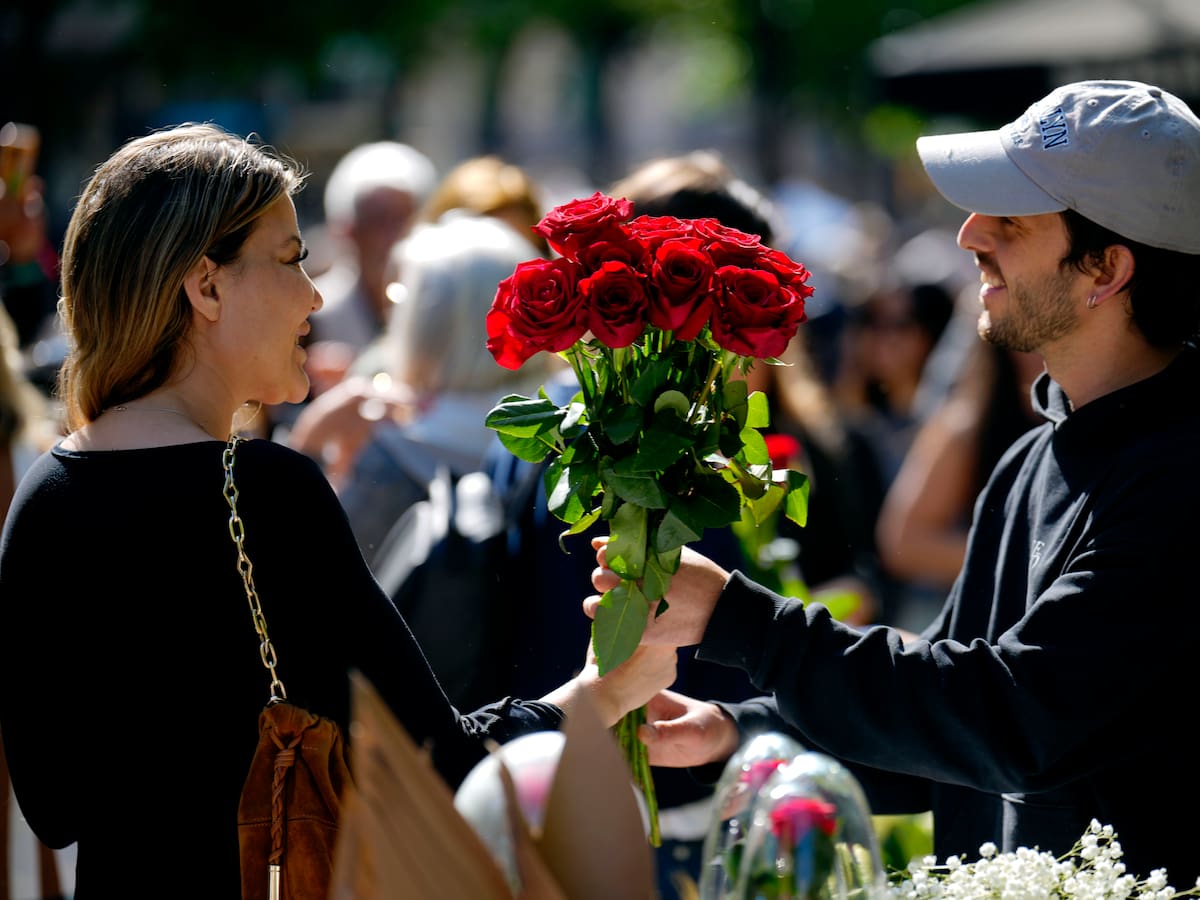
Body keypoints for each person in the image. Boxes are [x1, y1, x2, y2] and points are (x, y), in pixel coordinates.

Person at [0, 123, 676, 896]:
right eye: (291, 260)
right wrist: (601, 692)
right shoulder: (266, 492)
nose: (315, 294)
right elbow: (439, 760)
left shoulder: (45, 493)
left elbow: (52, 806)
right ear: (206, 285)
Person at [588, 80, 1200, 880]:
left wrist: (747, 624)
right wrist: (739, 732)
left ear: (1106, 269)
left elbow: (1019, 720)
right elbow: (942, 727)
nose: (969, 235)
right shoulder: (1035, 457)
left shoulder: (1182, 472)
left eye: (1010, 221)